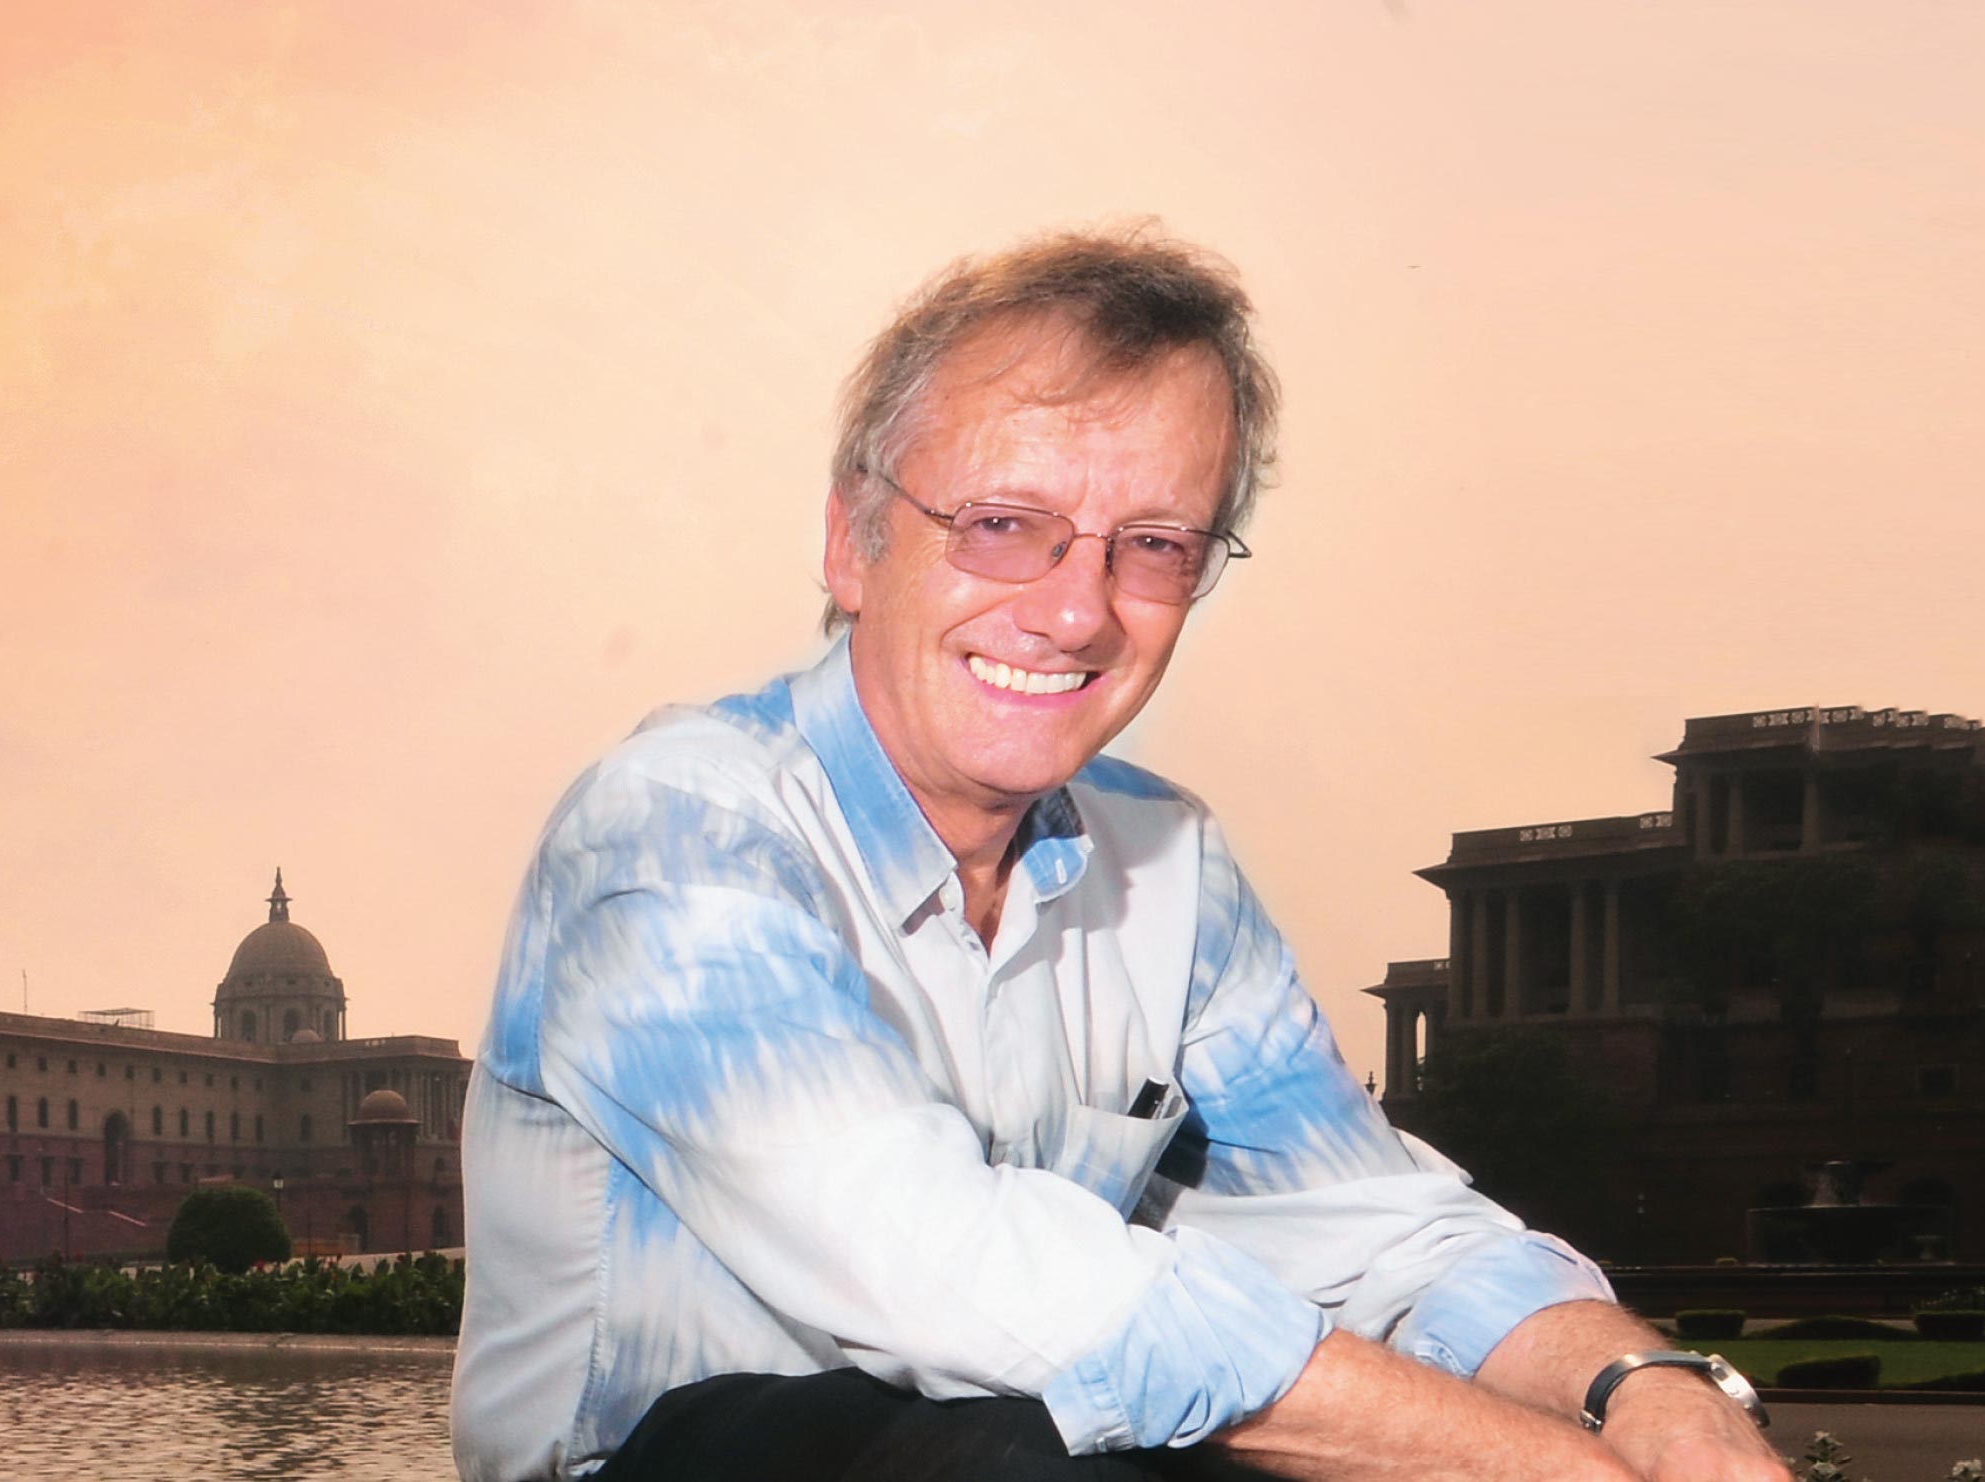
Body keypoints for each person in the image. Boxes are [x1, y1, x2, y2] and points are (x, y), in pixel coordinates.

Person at [451, 227, 1788, 1482]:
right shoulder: (675, 832)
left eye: (1152, 546)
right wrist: (1552, 1465)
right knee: (1041, 1445)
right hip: (677, 1461)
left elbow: (1375, 1227)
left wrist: (1643, 1391)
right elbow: (953, 1277)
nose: (1077, 612)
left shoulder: (1166, 865)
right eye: (1001, 523)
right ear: (853, 541)